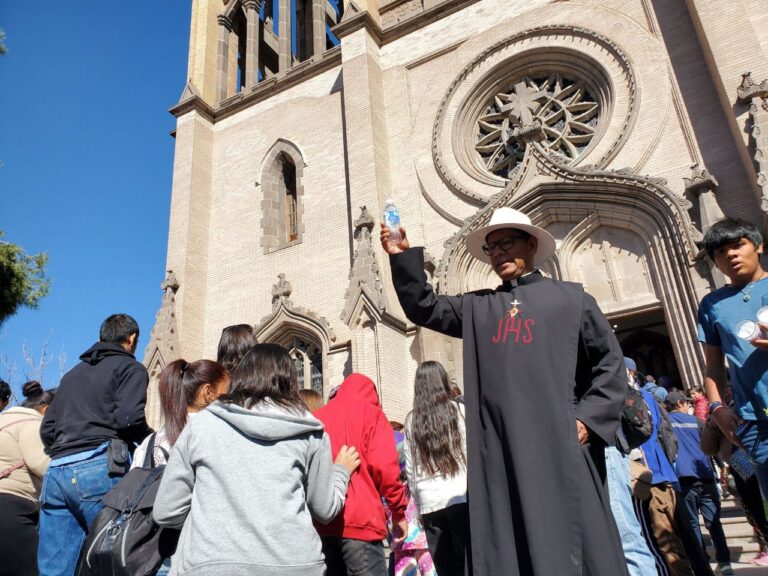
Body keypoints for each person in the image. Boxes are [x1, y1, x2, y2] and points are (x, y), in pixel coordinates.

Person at [381, 207, 628, 575]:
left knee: (580, 545)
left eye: (505, 244)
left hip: (562, 447)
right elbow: (424, 307)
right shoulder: (481, 307)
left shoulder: (573, 299)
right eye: (490, 248)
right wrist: (402, 257)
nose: (496, 254)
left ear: (530, 244)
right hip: (501, 453)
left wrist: (587, 421)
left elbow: (609, 366)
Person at [154, 343, 360, 575]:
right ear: (290, 381)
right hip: (295, 565)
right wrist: (341, 472)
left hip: (211, 564)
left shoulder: (201, 425)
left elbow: (166, 511)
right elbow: (325, 508)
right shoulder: (311, 432)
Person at [38, 313, 153, 576]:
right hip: (99, 467)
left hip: (56, 473)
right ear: (132, 338)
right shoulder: (129, 368)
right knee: (111, 559)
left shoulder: (71, 375)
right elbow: (128, 419)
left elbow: (47, 429)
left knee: (55, 569)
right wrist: (152, 440)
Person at [698, 218, 768, 499]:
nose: (730, 255)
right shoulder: (712, 305)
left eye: (738, 245)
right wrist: (717, 408)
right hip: (755, 422)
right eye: (720, 252)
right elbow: (713, 367)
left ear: (759, 245)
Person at [314, 373, 409, 576]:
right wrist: (398, 512)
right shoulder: (372, 414)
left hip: (322, 525)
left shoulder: (318, 417)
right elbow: (385, 469)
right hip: (362, 523)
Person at [403, 361, 469, 576]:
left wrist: (418, 501)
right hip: (459, 494)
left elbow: (411, 468)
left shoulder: (412, 420)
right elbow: (469, 453)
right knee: (467, 562)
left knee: (444, 566)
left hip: (429, 501)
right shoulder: (458, 410)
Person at [666, 390, 732, 575]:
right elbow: (714, 447)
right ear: (680, 403)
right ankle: (725, 563)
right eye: (686, 402)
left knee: (693, 524)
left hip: (684, 479)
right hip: (705, 476)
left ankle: (702, 563)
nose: (689, 405)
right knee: (714, 523)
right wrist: (723, 467)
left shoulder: (666, 423)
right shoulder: (697, 421)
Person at [634, 386, 693, 576]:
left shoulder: (627, 396)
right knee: (685, 539)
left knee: (664, 542)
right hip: (667, 476)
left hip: (647, 479)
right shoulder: (647, 397)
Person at [132, 359, 229, 469]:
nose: (231, 403)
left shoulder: (149, 442)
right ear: (208, 393)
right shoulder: (214, 436)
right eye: (227, 396)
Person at [0, 382, 54, 575]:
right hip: (11, 511)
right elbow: (41, 465)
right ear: (46, 410)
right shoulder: (32, 422)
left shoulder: (4, 421)